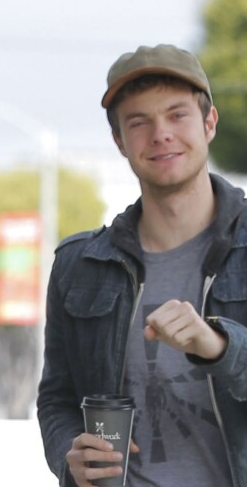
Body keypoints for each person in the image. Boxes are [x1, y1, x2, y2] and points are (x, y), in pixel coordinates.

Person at [37, 44, 247, 487]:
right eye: (139, 122)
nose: (160, 134)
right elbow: (57, 399)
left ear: (209, 123)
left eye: (177, 115)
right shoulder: (79, 265)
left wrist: (219, 345)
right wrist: (66, 456)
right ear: (119, 142)